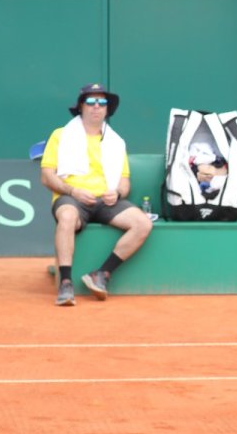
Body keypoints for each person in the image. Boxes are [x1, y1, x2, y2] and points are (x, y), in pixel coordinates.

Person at [39, 83, 152, 307]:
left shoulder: (116, 142)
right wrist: (73, 191)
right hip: (72, 196)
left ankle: (101, 274)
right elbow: (46, 176)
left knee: (143, 224)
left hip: (105, 200)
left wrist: (117, 193)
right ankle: (66, 283)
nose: (96, 106)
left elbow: (124, 181)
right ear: (81, 107)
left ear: (107, 109)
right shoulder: (60, 135)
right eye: (90, 101)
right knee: (68, 217)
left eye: (102, 102)